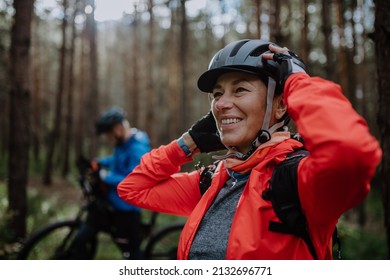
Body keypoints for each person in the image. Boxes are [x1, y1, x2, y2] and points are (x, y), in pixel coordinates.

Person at [117, 39, 382, 259]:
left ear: (280, 106)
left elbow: (350, 152)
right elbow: (132, 188)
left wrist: (297, 81)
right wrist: (187, 144)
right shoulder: (215, 180)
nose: (221, 104)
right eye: (217, 94)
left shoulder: (297, 182)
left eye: (240, 89)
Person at [70, 107, 151, 259]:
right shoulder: (123, 143)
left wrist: (105, 176)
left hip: (126, 208)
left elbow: (134, 179)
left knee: (132, 253)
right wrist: (98, 163)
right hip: (111, 201)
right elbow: (117, 161)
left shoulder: (137, 148)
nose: (108, 138)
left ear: (118, 128)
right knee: (84, 235)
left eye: (108, 134)